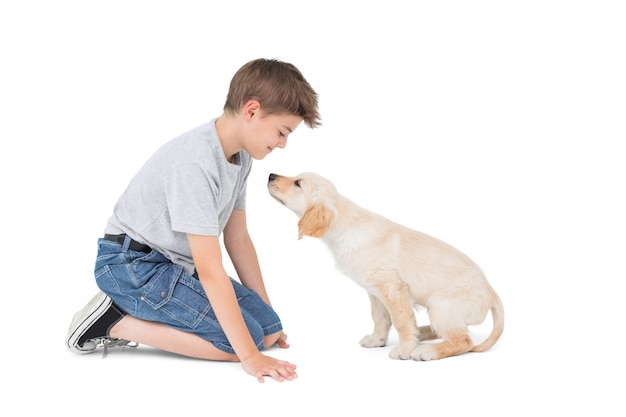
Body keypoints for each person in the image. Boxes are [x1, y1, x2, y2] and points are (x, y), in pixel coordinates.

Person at [65, 58, 321, 383]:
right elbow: (211, 270)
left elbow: (238, 238)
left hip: (173, 264)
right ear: (252, 111)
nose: (283, 143)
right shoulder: (195, 165)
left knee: (266, 332)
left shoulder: (240, 158)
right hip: (133, 266)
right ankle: (113, 320)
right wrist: (250, 357)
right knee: (242, 344)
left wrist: (269, 316)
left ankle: (247, 331)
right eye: (282, 132)